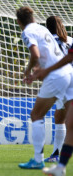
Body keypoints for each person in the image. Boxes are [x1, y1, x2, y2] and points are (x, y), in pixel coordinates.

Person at [16, 7, 73, 169]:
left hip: (56, 76)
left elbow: (35, 55)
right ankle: (60, 166)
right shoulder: (42, 29)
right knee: (69, 121)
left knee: (36, 114)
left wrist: (28, 71)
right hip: (69, 73)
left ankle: (38, 159)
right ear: (33, 17)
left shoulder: (27, 32)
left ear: (19, 21)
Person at [32, 40, 73, 176]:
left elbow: (68, 58)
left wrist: (46, 71)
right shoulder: (68, 40)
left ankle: (57, 161)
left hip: (64, 81)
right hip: (70, 84)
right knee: (70, 124)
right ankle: (60, 167)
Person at [44, 16, 73, 163]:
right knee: (61, 117)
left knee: (63, 119)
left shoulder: (48, 41)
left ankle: (56, 154)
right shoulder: (70, 40)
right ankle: (57, 153)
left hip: (63, 81)